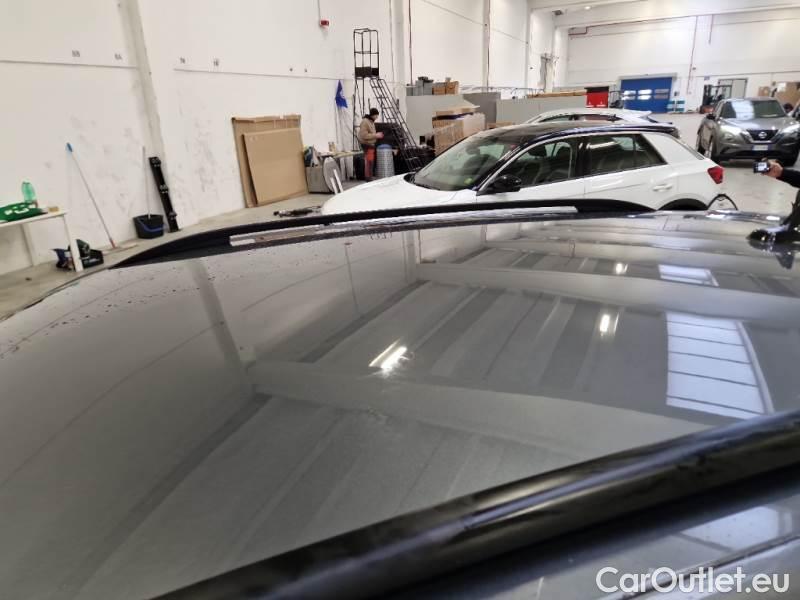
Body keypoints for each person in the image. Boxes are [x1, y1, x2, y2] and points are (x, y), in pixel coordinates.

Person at [357, 108, 384, 180]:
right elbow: (364, 135)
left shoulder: (371, 122)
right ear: (372, 115)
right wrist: (376, 135)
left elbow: (371, 133)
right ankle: (368, 178)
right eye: (376, 115)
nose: (377, 117)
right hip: (367, 144)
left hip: (371, 145)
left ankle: (369, 177)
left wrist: (376, 135)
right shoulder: (365, 122)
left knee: (370, 161)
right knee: (369, 161)